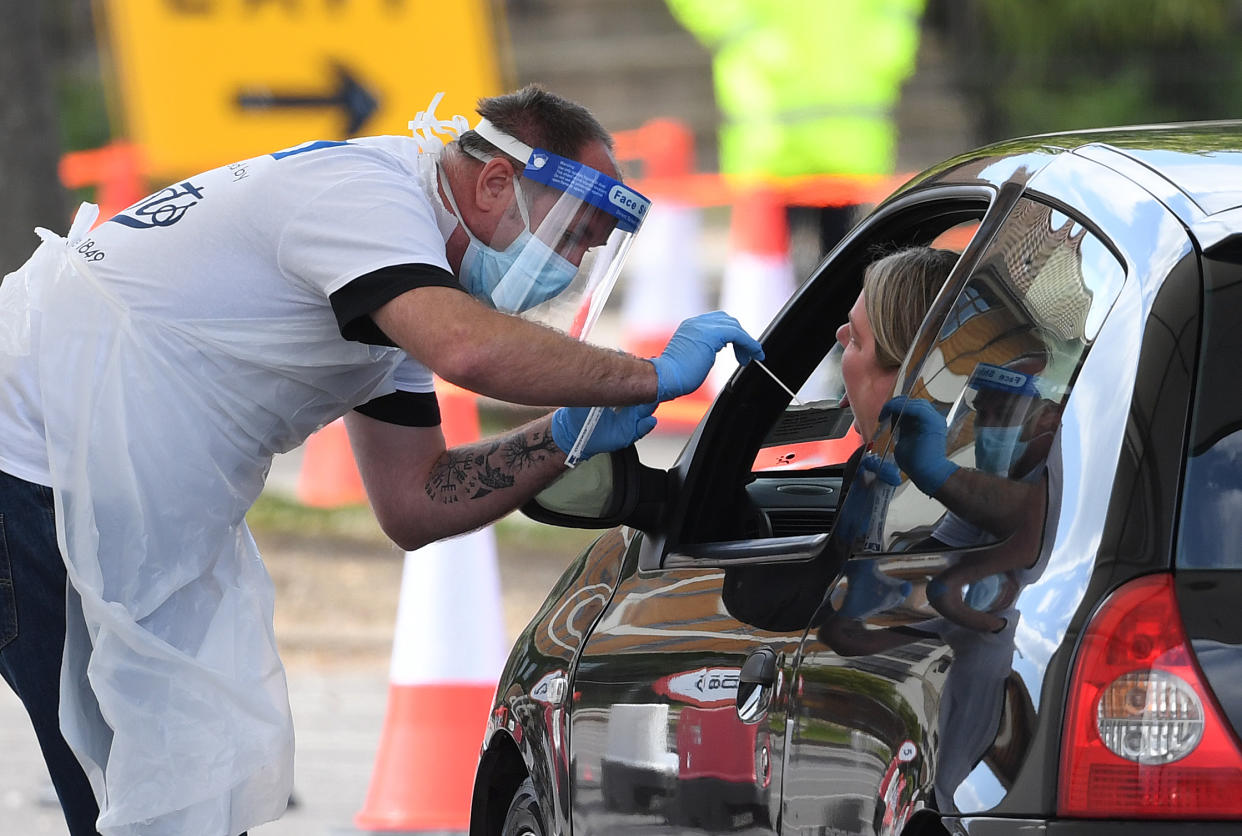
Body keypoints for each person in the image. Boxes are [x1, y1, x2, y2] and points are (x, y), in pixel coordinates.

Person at [0, 85, 762, 836]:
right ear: (496, 182)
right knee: (136, 791)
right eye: (569, 238)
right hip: (31, 467)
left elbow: (415, 500)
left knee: (169, 790)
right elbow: (466, 348)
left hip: (90, 488)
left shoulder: (402, 286)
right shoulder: (365, 198)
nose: (567, 267)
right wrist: (651, 373)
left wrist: (560, 436)